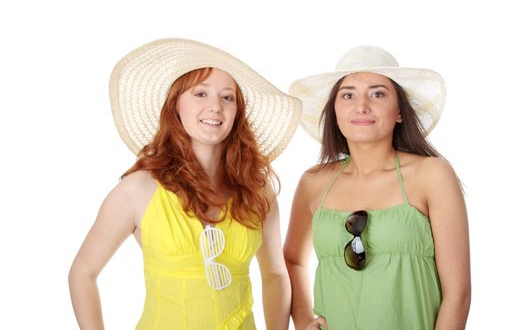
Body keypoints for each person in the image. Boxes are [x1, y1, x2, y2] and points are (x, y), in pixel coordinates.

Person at [68, 38, 302, 329]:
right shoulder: (138, 190)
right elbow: (83, 272)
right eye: (200, 93)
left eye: (227, 97)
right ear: (175, 104)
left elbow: (275, 275)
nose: (215, 106)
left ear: (238, 112)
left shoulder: (257, 190)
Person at [283, 46, 470, 330]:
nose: (361, 105)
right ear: (335, 112)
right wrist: (303, 320)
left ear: (399, 112)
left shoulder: (432, 175)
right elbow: (293, 260)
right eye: (348, 95)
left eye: (377, 93)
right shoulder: (314, 182)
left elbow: (458, 293)